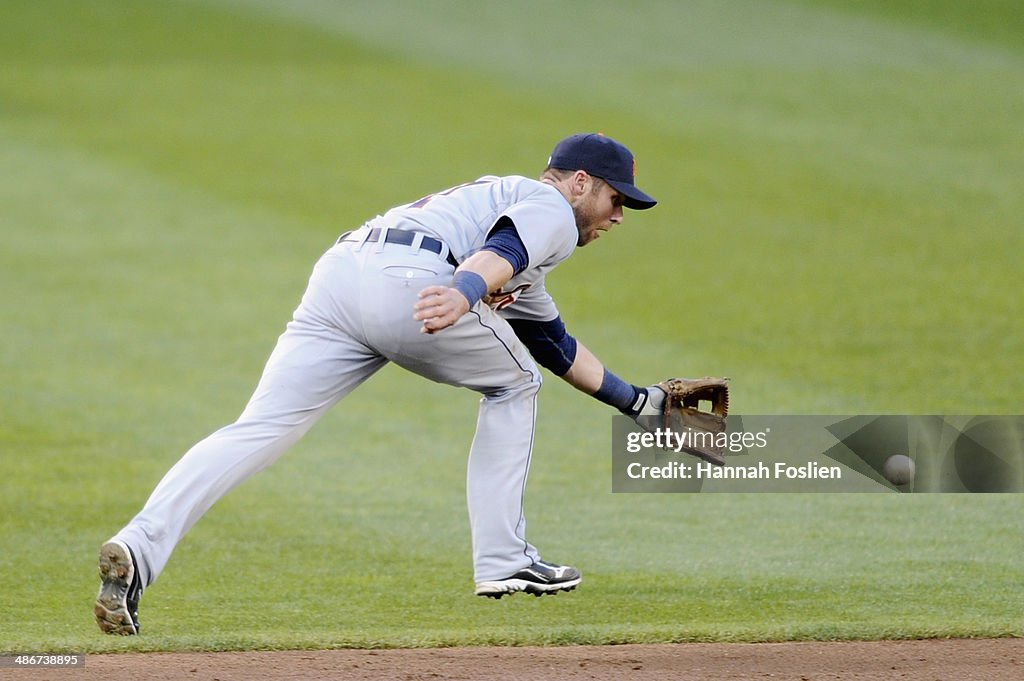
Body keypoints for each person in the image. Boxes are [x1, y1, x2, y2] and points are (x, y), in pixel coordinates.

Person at [95, 132, 666, 635]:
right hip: (415, 285)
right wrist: (465, 291)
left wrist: (640, 402)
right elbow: (504, 251)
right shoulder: (546, 204)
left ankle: (139, 548)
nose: (618, 215)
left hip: (342, 274)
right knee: (515, 388)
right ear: (580, 183)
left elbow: (554, 344)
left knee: (260, 428)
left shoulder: (499, 210)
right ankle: (504, 559)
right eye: (616, 200)